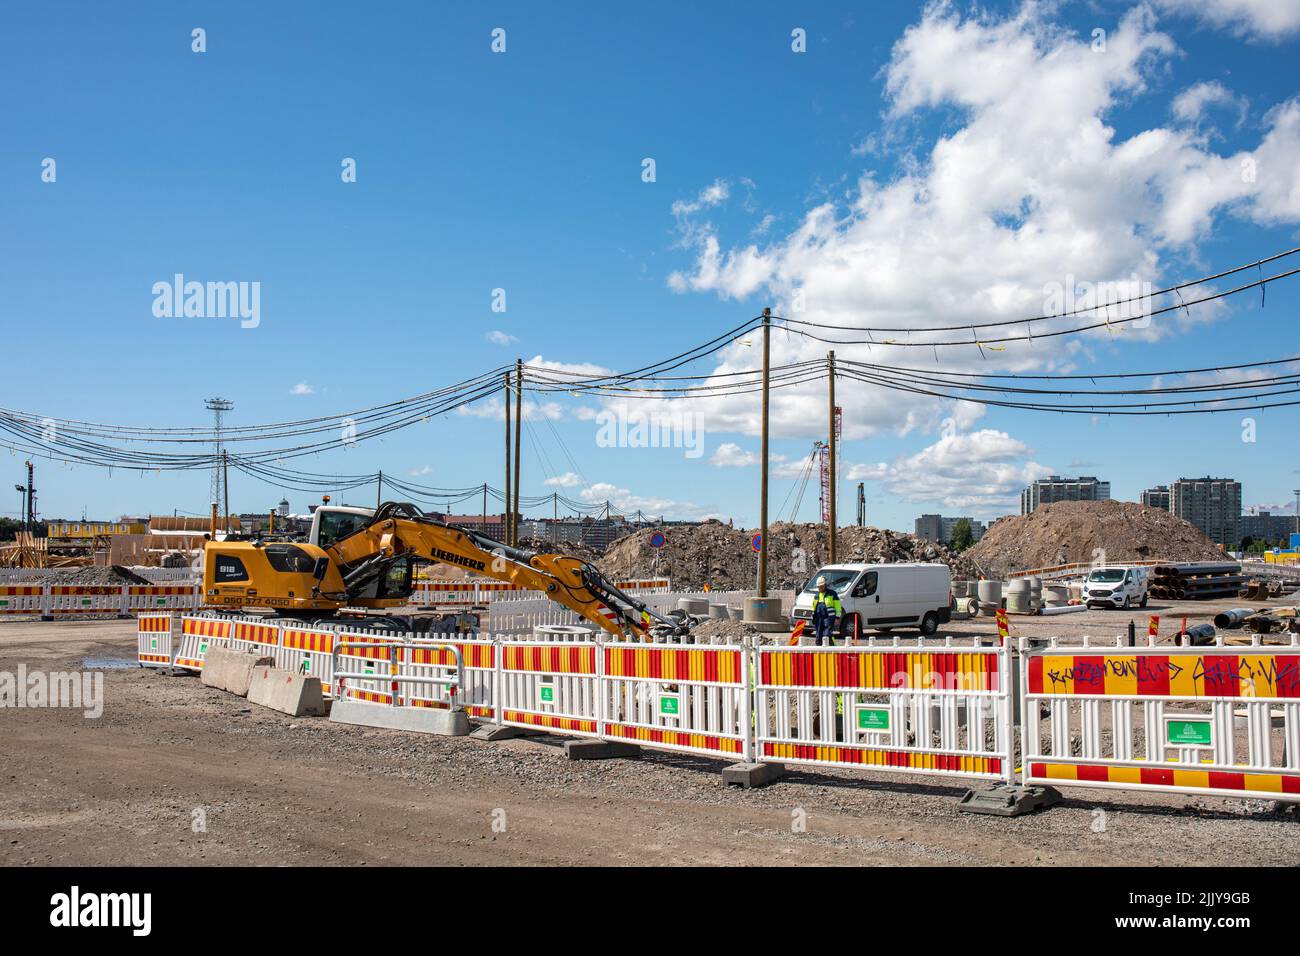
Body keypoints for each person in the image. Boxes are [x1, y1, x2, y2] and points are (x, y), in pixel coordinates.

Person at [811, 576, 842, 646]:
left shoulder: (832, 593)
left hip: (829, 618)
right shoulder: (816, 595)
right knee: (818, 637)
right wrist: (813, 617)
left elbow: (838, 606)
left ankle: (833, 648)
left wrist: (837, 617)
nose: (820, 588)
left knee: (827, 635)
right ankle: (818, 652)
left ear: (825, 585)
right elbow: (814, 607)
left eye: (821, 586)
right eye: (818, 587)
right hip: (818, 618)